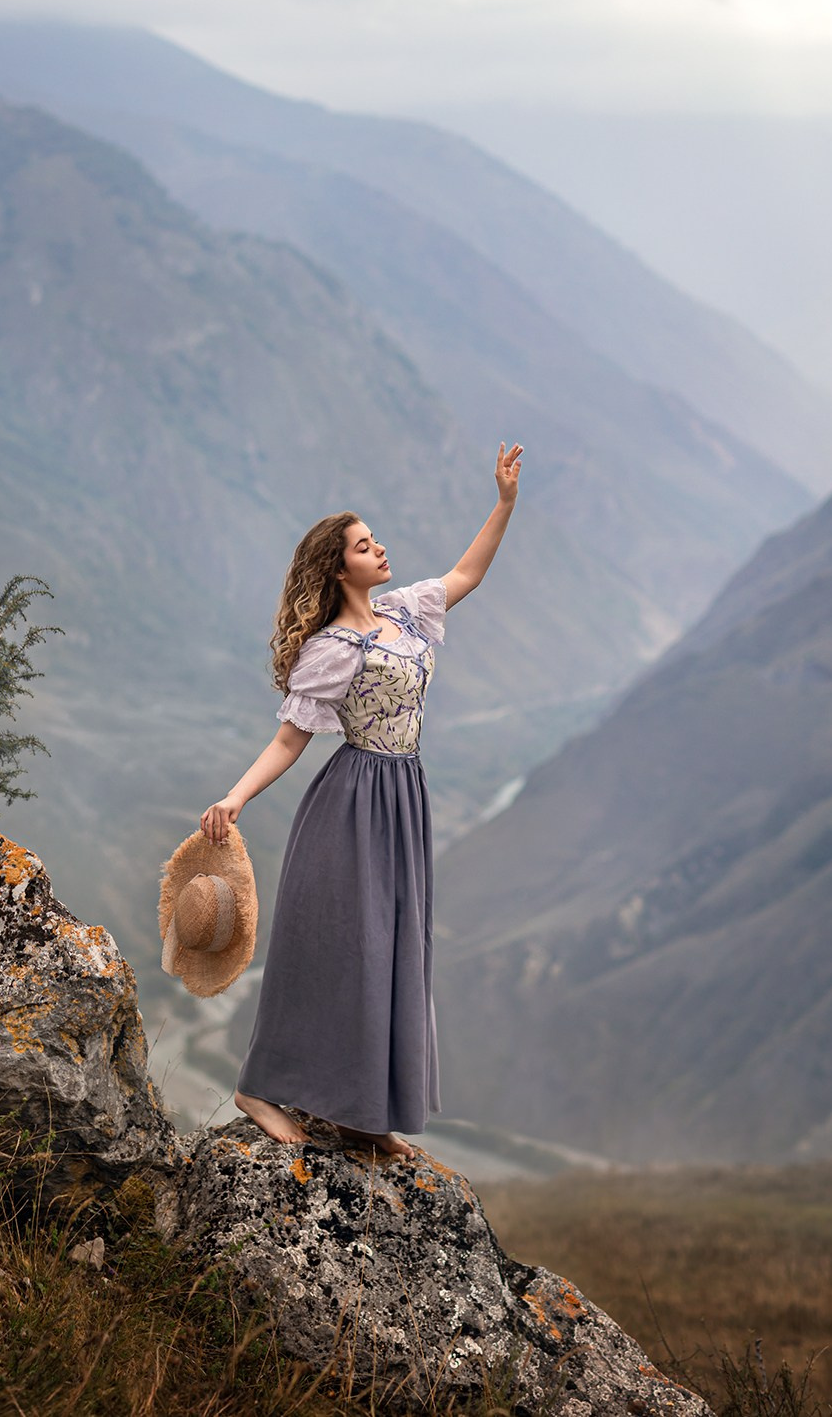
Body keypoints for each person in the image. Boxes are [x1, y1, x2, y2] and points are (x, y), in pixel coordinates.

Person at [201, 442, 524, 1157]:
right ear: (337, 566)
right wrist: (236, 796)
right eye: (364, 545)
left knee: (391, 953)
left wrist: (502, 502)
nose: (380, 550)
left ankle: (359, 1115)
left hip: (404, 799)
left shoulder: (405, 613)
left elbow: (468, 571)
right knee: (335, 951)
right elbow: (289, 741)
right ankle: (258, 1087)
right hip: (351, 805)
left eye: (375, 540)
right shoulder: (332, 648)